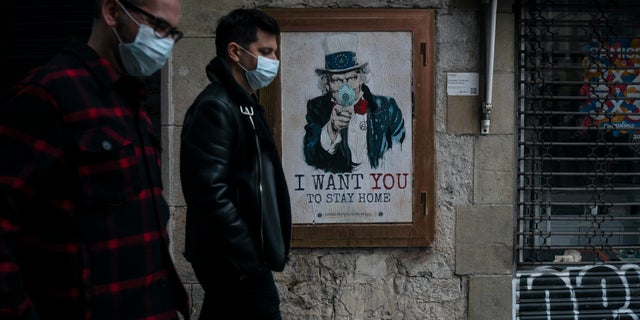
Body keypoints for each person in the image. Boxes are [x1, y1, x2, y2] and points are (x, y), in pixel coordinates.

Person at [0, 0, 190, 319]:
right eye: (158, 27)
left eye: (173, 33)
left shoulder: (131, 99)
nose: (165, 42)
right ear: (112, 12)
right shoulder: (49, 93)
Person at [179, 8, 292, 320]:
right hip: (235, 263)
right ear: (235, 52)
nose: (273, 61)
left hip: (238, 261)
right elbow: (210, 194)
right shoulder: (216, 106)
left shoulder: (246, 106)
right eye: (265, 51)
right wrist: (249, 261)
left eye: (275, 52)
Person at [303, 33, 407, 173]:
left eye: (351, 78)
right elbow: (310, 156)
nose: (345, 87)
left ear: (361, 79)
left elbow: (399, 155)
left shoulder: (387, 107)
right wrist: (331, 128)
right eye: (337, 80)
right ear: (327, 84)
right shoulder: (317, 108)